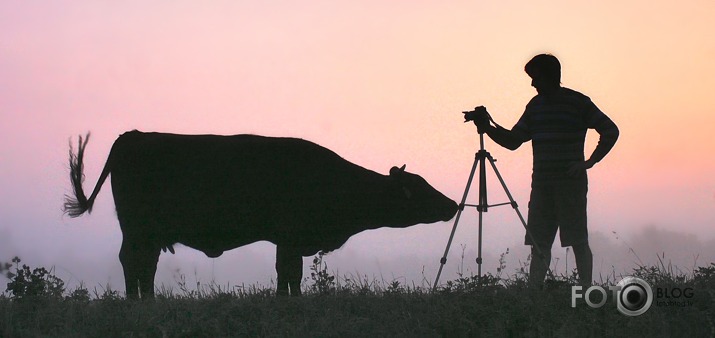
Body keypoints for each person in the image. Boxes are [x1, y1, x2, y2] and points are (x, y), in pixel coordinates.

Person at [470, 54, 619, 287]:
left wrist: (588, 162)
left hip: (570, 184)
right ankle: (534, 293)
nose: (532, 84)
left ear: (549, 76)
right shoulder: (535, 106)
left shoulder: (578, 102)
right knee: (540, 243)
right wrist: (487, 128)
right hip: (541, 185)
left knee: (578, 240)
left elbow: (610, 130)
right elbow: (513, 140)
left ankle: (585, 290)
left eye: (535, 77)